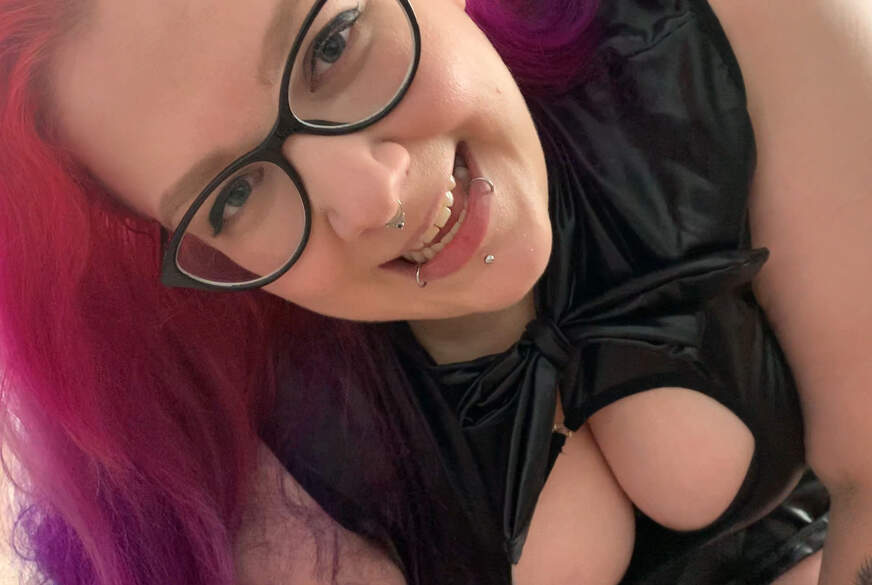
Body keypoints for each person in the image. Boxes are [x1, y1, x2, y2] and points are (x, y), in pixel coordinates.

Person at [0, 0, 868, 584]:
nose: (369, 198)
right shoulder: (243, 455)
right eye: (233, 195)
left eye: (332, 46)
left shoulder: (734, 27)